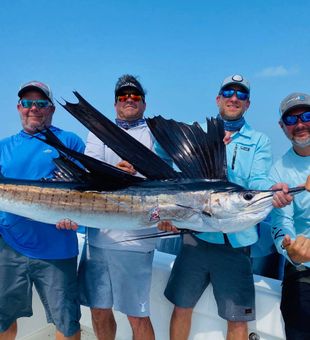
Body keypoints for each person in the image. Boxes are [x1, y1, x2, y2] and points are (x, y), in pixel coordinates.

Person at [159, 74, 280, 340]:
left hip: (236, 244)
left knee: (237, 319)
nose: (234, 98)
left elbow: (259, 181)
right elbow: (161, 150)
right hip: (196, 237)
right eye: (228, 93)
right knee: (182, 307)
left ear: (248, 104)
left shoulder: (259, 140)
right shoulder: (199, 131)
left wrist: (271, 192)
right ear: (218, 99)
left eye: (242, 95)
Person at [78, 74, 170, 340]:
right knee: (98, 309)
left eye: (135, 96)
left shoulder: (156, 133)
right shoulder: (99, 130)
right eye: (123, 96)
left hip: (136, 241)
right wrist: (113, 171)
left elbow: (168, 176)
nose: (129, 100)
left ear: (144, 103)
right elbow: (90, 167)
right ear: (115, 103)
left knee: (137, 314)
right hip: (98, 238)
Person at [0, 81, 85, 340]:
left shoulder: (70, 141)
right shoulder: (3, 147)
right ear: (18, 108)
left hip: (57, 252)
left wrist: (78, 218)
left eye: (40, 103)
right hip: (9, 249)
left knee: (67, 323)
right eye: (27, 103)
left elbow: (85, 192)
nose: (33, 108)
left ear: (51, 109)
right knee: (2, 321)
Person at [270, 92, 310, 340]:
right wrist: (290, 250)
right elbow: (280, 222)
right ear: (282, 126)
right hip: (303, 268)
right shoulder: (278, 170)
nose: (300, 124)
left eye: (307, 116)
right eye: (291, 119)